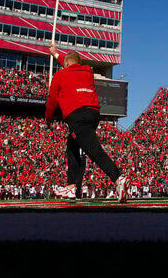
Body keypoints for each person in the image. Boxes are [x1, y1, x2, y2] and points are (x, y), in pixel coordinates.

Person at [45, 44, 128, 202]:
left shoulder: (61, 75)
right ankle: (70, 187)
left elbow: (52, 100)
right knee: (72, 145)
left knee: (93, 150)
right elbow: (69, 63)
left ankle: (118, 179)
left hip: (77, 115)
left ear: (67, 64)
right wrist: (56, 54)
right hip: (94, 113)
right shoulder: (87, 71)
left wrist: (48, 119)